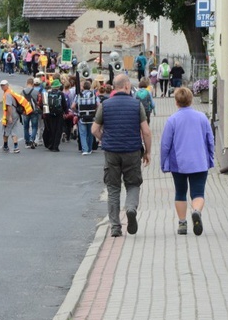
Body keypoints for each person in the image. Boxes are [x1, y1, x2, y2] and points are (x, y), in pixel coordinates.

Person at [91, 74, 152, 237]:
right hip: (132, 151)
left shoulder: (105, 105)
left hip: (111, 152)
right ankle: (131, 209)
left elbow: (94, 129)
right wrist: (148, 151)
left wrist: (105, 139)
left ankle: (115, 227)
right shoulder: (136, 105)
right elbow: (146, 131)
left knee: (113, 188)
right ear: (126, 86)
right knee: (133, 184)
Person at [160, 86, 215, 236]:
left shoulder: (172, 120)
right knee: (198, 193)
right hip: (199, 161)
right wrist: (210, 158)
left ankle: (182, 224)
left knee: (180, 192)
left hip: (179, 164)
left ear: (176, 102)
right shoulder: (202, 118)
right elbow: (210, 140)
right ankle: (196, 211)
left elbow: (165, 144)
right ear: (191, 100)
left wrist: (163, 162)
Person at [40, 78, 68, 152]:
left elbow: (42, 104)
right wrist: (66, 112)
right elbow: (64, 105)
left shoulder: (47, 93)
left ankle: (50, 144)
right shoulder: (61, 93)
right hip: (59, 114)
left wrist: (45, 113)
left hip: (49, 114)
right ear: (58, 86)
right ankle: (55, 146)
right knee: (58, 130)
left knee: (51, 129)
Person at [74, 80, 98, 155]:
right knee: (90, 133)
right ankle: (90, 149)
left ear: (83, 87)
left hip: (82, 117)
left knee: (82, 134)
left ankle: (85, 149)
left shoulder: (79, 95)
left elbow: (72, 106)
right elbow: (99, 104)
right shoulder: (94, 95)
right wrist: (95, 111)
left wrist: (77, 111)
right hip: (91, 116)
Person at [0, 79, 21, 153]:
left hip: (10, 115)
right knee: (14, 129)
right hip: (15, 114)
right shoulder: (10, 92)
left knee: (6, 130)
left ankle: (5, 146)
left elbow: (8, 106)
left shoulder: (7, 94)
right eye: (1, 85)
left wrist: (9, 116)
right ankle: (16, 147)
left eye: (3, 85)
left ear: (7, 85)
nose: (2, 87)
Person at [22, 77, 40, 149]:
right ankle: (32, 139)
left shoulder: (22, 92)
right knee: (34, 126)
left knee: (26, 127)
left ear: (27, 83)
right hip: (34, 111)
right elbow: (38, 101)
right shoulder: (36, 92)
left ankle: (27, 141)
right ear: (33, 84)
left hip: (25, 111)